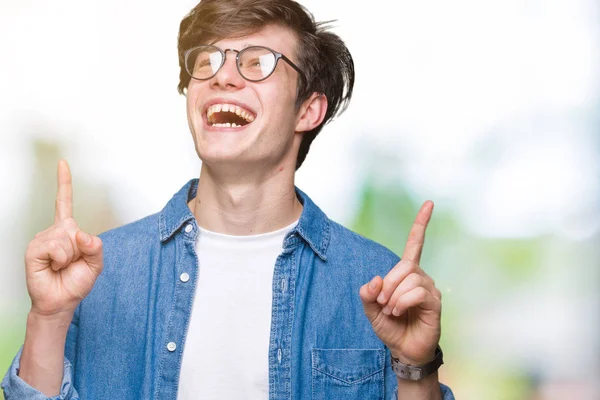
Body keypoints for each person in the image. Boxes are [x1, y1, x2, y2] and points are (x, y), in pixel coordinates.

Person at [2, 0, 455, 399]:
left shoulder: (375, 284)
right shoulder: (101, 272)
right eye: (208, 60)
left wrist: (416, 369)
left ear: (308, 110)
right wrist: (48, 316)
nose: (222, 76)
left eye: (257, 62)